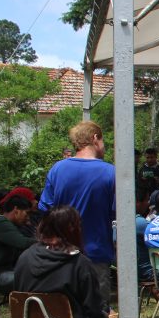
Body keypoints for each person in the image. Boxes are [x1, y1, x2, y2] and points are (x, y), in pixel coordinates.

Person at [38, 121, 117, 306]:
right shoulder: (110, 173)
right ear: (95, 138)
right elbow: (117, 212)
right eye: (103, 139)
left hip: (60, 252)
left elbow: (45, 209)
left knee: (64, 308)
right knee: (97, 311)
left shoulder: (57, 169)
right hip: (96, 253)